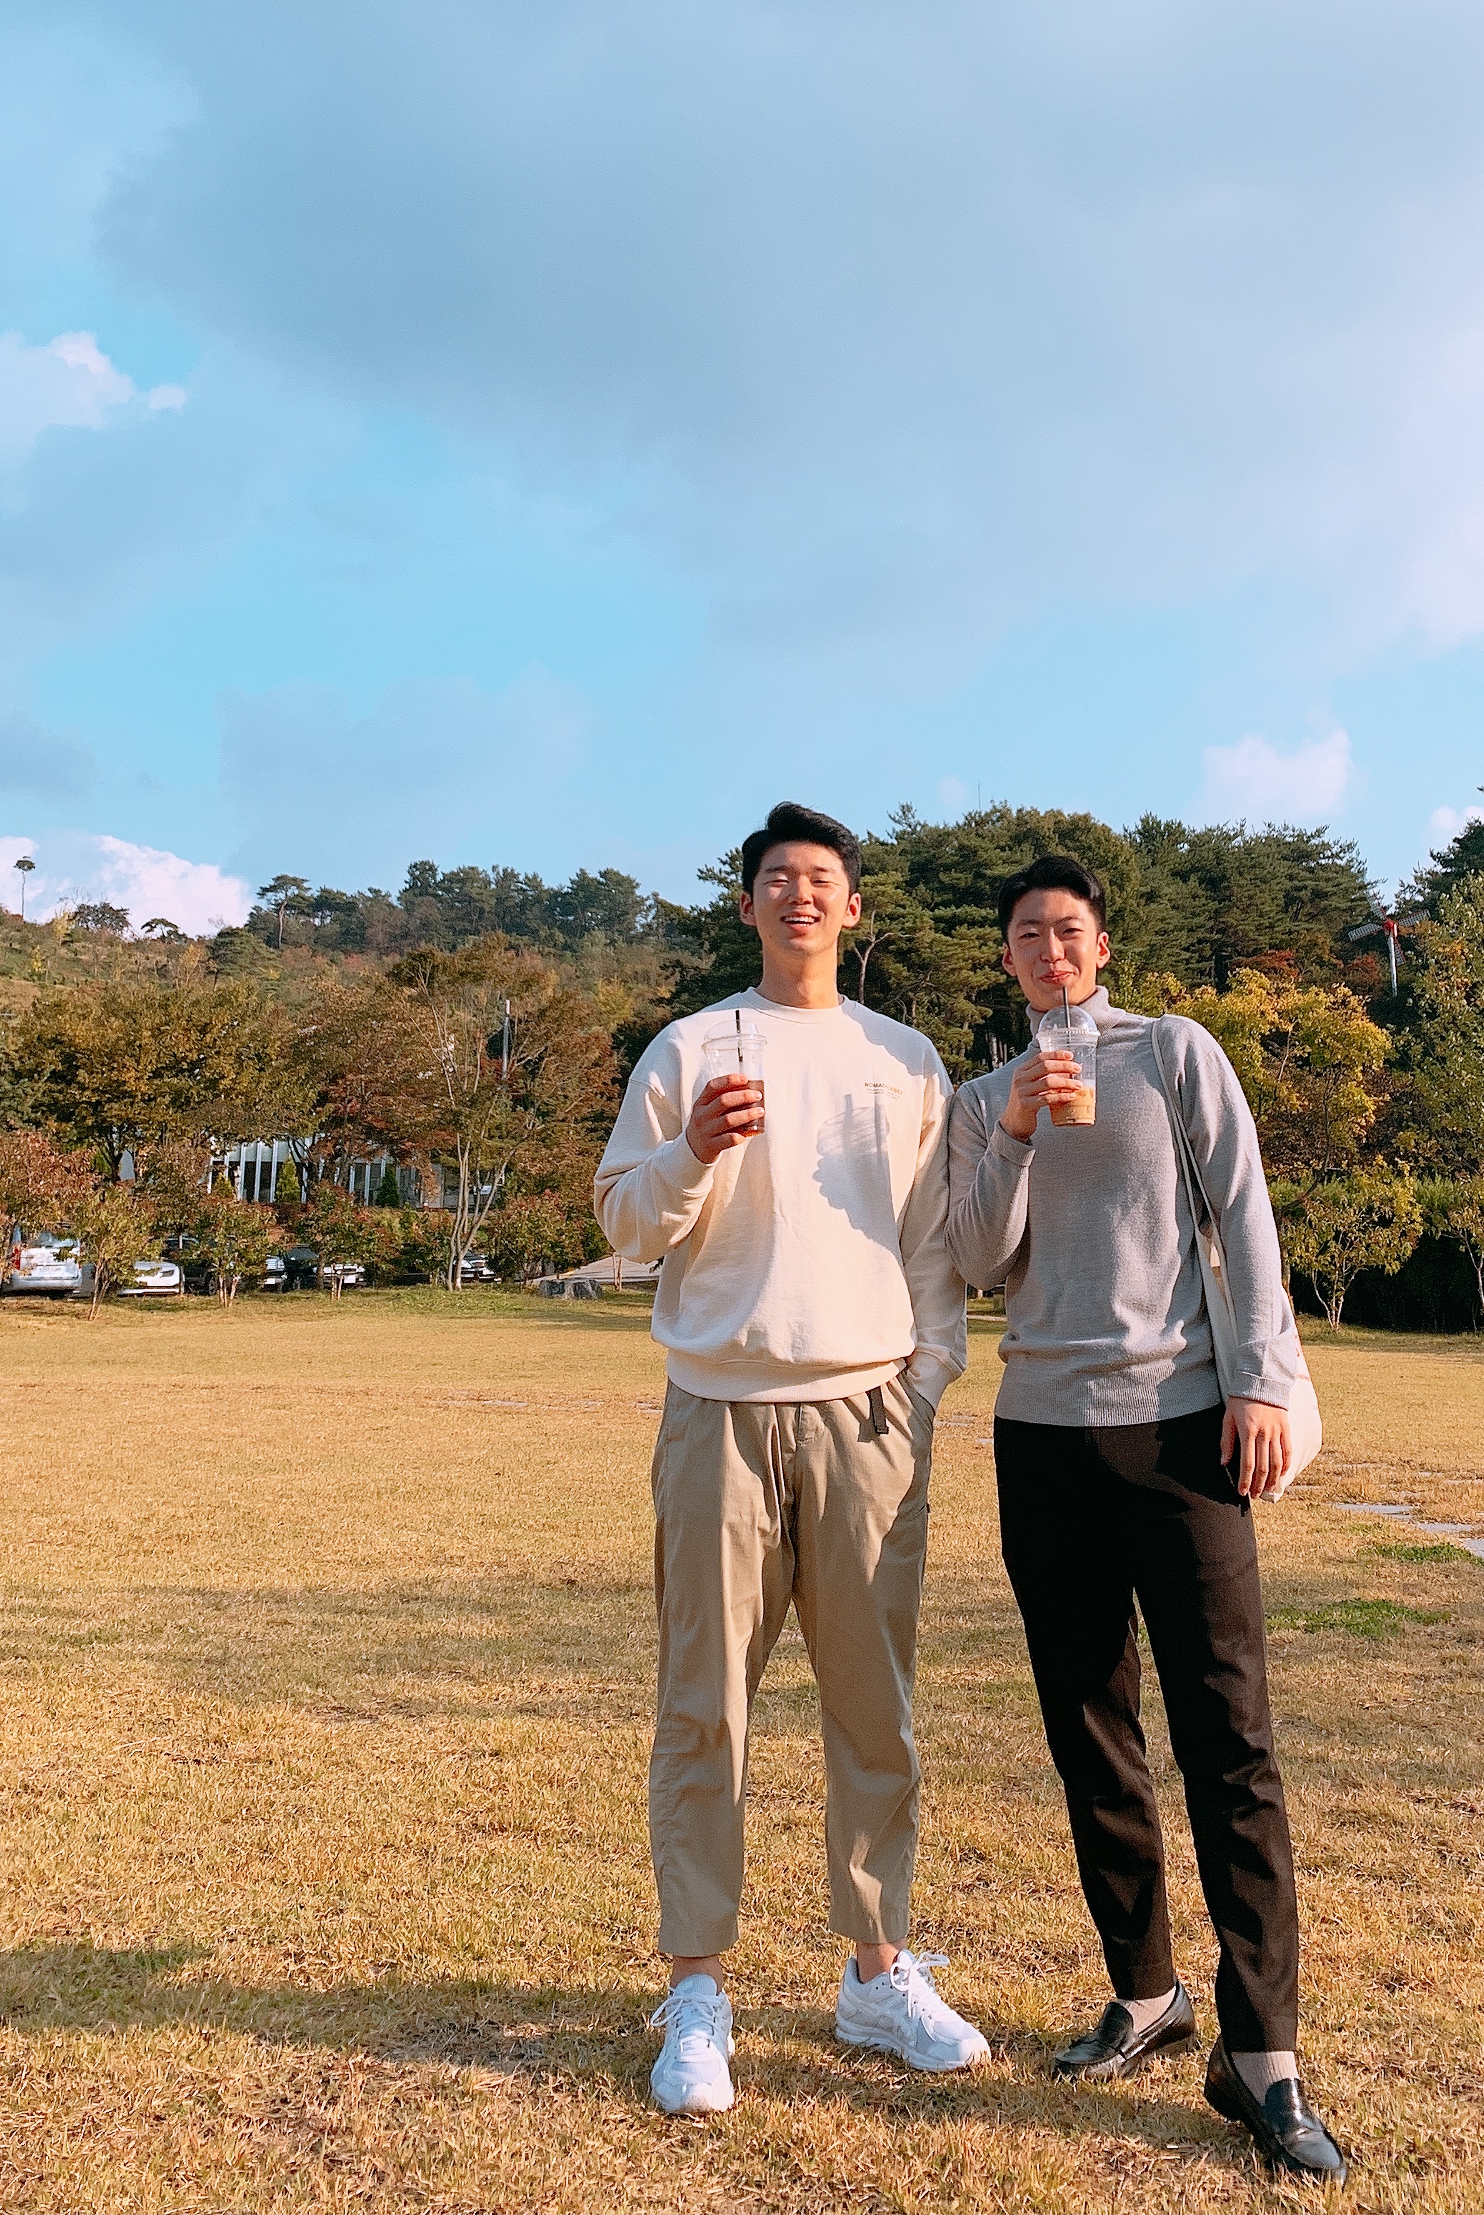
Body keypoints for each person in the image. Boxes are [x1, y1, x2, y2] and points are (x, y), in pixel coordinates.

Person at [946, 852, 1345, 2185]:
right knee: (1090, 1730)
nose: (1050, 951)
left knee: (1229, 1737)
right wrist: (1013, 1127)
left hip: (1181, 1432)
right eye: (1027, 935)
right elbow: (976, 1257)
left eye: (1069, 930)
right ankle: (1145, 1989)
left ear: (1102, 946)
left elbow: (1244, 1213)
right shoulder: (983, 1097)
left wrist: (1263, 1381)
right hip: (1041, 1438)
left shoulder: (1173, 1052)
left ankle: (1265, 2057)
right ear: (1007, 960)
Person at [595, 800, 987, 2117]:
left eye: (821, 878)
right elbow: (626, 1222)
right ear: (748, 903)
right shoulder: (691, 1046)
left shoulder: (904, 1058)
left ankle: (876, 1971)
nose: (799, 894)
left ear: (852, 908)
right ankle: (697, 1989)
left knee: (875, 1708)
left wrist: (926, 1386)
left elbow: (933, 1243)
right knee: (706, 1703)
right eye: (777, 877)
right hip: (717, 1410)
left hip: (868, 1415)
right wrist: (694, 1150)